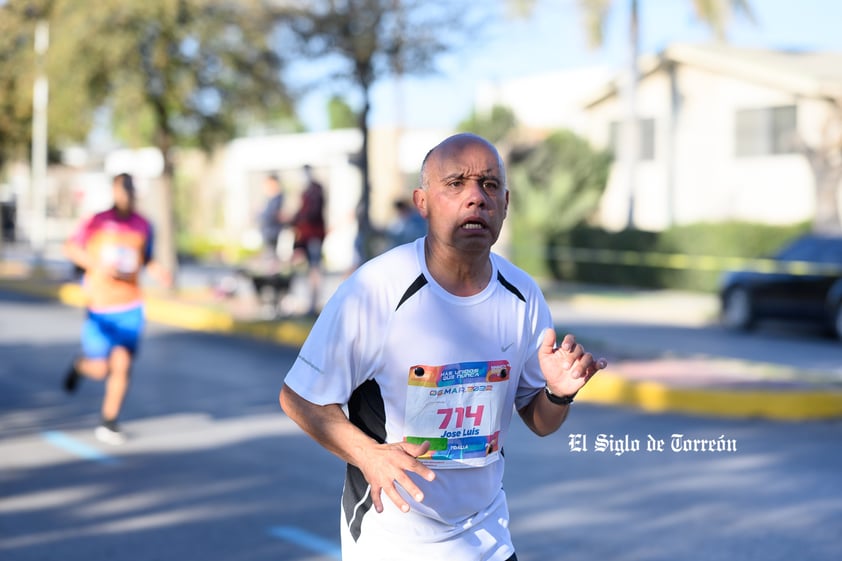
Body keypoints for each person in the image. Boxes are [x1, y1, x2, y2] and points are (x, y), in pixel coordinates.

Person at [279, 133, 607, 561]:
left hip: (487, 536)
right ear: (422, 202)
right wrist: (368, 456)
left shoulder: (523, 296)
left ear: (505, 203)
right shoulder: (376, 289)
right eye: (455, 183)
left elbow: (540, 421)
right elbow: (300, 397)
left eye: (489, 185)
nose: (476, 197)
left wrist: (559, 392)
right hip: (391, 540)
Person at [62, 173, 170, 445]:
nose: (128, 196)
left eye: (132, 190)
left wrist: (160, 272)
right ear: (114, 191)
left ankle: (108, 422)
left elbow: (147, 259)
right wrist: (96, 265)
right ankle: (80, 365)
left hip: (130, 305)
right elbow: (71, 248)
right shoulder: (96, 221)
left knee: (122, 364)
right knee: (101, 369)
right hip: (100, 306)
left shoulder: (144, 224)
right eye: (123, 190)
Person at [291, 164, 326, 315]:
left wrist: (298, 218)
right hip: (304, 236)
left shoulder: (315, 191)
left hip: (314, 235)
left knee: (314, 268)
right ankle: (305, 301)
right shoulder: (306, 191)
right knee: (303, 269)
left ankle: (314, 302)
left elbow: (312, 213)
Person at [258, 174, 288, 269]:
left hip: (272, 231)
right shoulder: (270, 198)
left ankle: (273, 276)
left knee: (272, 257)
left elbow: (273, 215)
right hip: (267, 231)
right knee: (269, 256)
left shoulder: (278, 198)